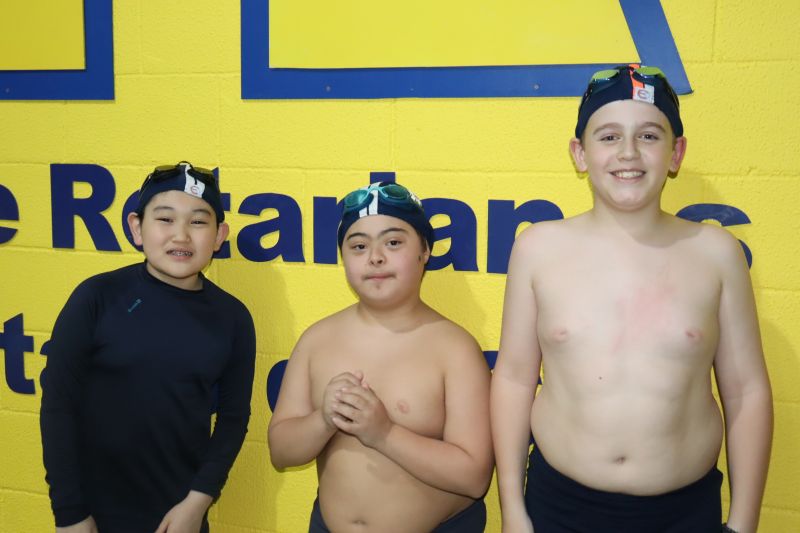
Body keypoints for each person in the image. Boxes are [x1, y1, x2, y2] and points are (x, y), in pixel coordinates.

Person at [490, 65, 773, 533]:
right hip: (558, 507)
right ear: (580, 153)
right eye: (608, 137)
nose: (628, 152)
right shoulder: (538, 249)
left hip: (683, 513)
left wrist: (743, 523)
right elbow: (515, 380)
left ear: (676, 153)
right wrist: (512, 509)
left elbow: (746, 391)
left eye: (648, 136)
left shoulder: (716, 253)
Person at [40, 162, 256, 533]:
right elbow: (59, 405)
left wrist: (198, 502)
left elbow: (233, 419)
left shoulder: (232, 318)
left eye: (198, 222)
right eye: (165, 219)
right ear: (137, 228)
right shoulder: (97, 297)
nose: (181, 236)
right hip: (92, 516)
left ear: (219, 236)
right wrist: (69, 513)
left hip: (179, 515)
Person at [268, 182, 493, 532]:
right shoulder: (317, 340)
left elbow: (474, 478)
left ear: (425, 251)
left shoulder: (455, 350)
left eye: (393, 242)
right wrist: (324, 420)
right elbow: (281, 452)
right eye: (359, 246)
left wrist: (384, 433)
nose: (375, 257)